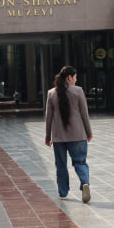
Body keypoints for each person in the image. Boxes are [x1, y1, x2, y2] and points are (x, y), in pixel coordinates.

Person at [44, 65, 93, 202]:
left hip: (59, 136)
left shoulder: (51, 93)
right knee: (80, 162)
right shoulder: (78, 91)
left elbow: (48, 117)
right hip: (78, 134)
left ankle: (63, 192)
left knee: (61, 164)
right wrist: (89, 132)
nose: (76, 80)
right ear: (70, 77)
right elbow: (84, 114)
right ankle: (84, 182)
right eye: (75, 77)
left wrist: (48, 137)